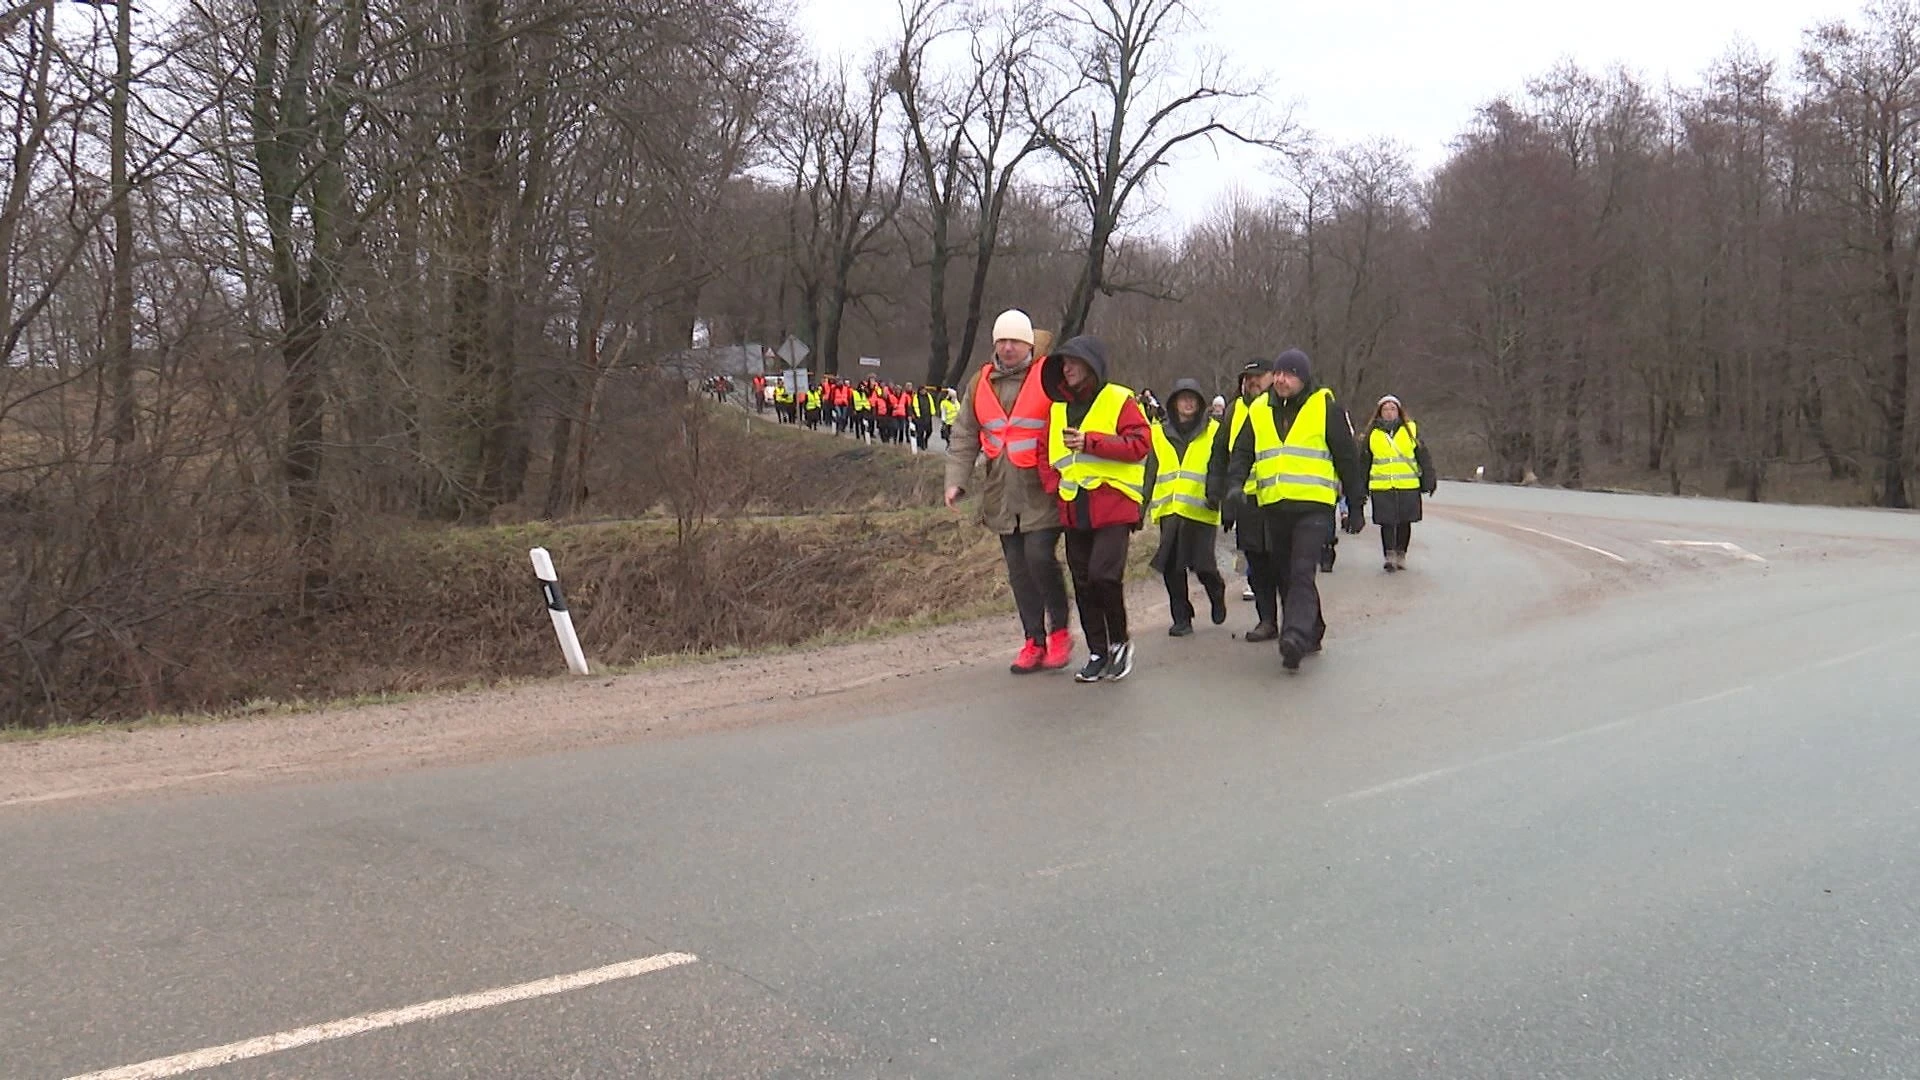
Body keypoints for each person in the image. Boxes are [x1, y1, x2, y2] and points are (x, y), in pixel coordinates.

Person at [1218, 348, 1368, 671]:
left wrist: (1355, 505)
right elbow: (1242, 453)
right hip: (1274, 506)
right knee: (1285, 572)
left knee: (1301, 570)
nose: (1283, 380)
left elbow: (1347, 460)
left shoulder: (1325, 409)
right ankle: (1313, 629)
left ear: (1303, 378)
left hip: (1313, 507)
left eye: (1291, 374)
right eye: (1280, 374)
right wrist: (1233, 486)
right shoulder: (1258, 411)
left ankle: (1295, 636)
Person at [945, 310, 1075, 674]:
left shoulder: (1049, 376)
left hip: (1043, 491)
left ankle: (1060, 631)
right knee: (1018, 571)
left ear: (1028, 345)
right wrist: (956, 480)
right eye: (1001, 341)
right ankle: (1033, 640)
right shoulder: (980, 381)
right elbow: (964, 434)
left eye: (1015, 341)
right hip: (1001, 493)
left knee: (1039, 558)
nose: (1007, 348)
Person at [1038, 336, 1150, 682]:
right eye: (1063, 363)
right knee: (1084, 583)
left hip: (1113, 504)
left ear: (1091, 365)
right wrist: (1054, 487)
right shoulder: (1056, 409)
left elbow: (1141, 444)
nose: (1067, 368)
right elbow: (1044, 454)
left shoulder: (1119, 398)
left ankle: (1119, 642)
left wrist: (1091, 442)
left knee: (1104, 576)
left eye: (1073, 362)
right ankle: (1098, 650)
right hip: (1074, 507)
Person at [1144, 379, 1228, 637]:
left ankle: (1216, 592)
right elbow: (1150, 472)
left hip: (1202, 507)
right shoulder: (1158, 431)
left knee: (1203, 565)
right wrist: (1140, 506)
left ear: (1201, 403)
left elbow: (1221, 466)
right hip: (1169, 509)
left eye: (1193, 398)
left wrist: (1219, 494)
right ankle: (1181, 617)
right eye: (1182, 398)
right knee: (1171, 567)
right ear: (1173, 403)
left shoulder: (1214, 430)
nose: (1188, 403)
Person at [1212, 358, 1278, 633]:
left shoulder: (1283, 407)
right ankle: (1267, 620)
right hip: (1246, 500)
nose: (1253, 382)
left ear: (1273, 378)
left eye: (1259, 377)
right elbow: (1219, 457)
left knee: (1285, 565)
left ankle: (1300, 622)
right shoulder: (1233, 411)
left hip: (1279, 498)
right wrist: (1223, 497)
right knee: (1258, 565)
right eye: (1248, 377)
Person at [1358, 394, 1437, 571]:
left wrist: (1429, 479)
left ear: (1399, 412)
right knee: (1386, 522)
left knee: (1404, 521)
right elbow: (1364, 462)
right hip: (1382, 485)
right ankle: (1389, 554)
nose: (1389, 413)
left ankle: (1401, 553)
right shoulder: (1372, 434)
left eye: (1393, 409)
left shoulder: (1411, 430)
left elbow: (1423, 456)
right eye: (1385, 409)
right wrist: (1360, 486)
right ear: (1379, 413)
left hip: (1407, 485)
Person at [909, 383, 937, 452]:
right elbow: (913, 407)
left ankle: (925, 440)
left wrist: (932, 412)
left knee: (929, 431)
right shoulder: (916, 397)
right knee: (920, 432)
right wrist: (914, 415)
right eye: (922, 390)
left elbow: (932, 404)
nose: (923, 391)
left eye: (924, 390)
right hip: (919, 417)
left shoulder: (928, 396)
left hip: (928, 416)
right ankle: (921, 445)